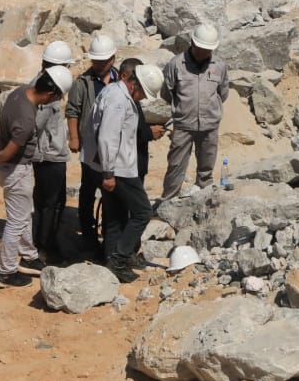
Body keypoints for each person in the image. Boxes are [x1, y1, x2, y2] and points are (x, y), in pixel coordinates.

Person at [0, 65, 73, 288]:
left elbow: (2, 125)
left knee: (24, 214)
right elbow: (11, 149)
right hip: (15, 169)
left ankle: (29, 256)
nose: (57, 102)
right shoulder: (27, 117)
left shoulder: (19, 93)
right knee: (16, 221)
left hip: (9, 168)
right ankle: (6, 272)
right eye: (58, 97)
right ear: (50, 94)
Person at [93, 62, 164, 282]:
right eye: (143, 94)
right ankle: (120, 258)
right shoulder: (117, 100)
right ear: (135, 84)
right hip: (118, 169)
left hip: (116, 166)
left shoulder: (115, 93)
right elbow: (107, 137)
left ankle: (111, 260)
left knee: (115, 216)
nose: (142, 98)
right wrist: (108, 174)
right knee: (143, 212)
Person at [159, 23, 229, 203]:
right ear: (192, 43)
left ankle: (205, 201)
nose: (205, 53)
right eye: (201, 49)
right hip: (183, 125)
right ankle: (168, 202)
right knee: (176, 166)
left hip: (210, 125)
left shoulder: (219, 66)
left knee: (206, 167)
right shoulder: (176, 64)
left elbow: (223, 93)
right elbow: (167, 93)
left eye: (208, 50)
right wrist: (182, 109)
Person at [65, 34, 118, 254]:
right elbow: (72, 110)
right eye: (95, 61)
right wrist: (74, 137)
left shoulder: (121, 80)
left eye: (102, 61)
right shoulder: (83, 83)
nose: (97, 65)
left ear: (112, 59)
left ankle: (109, 236)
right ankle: (88, 235)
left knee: (111, 194)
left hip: (113, 149)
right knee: (88, 192)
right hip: (90, 148)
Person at [30, 41, 75, 264]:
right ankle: (44, 248)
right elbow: (37, 125)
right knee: (51, 203)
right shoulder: (48, 92)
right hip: (49, 156)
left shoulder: (44, 84)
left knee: (48, 202)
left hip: (49, 154)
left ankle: (44, 244)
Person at [118, 58, 165, 182]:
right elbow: (121, 134)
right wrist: (149, 133)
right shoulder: (119, 101)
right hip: (125, 168)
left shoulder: (132, 99)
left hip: (136, 165)